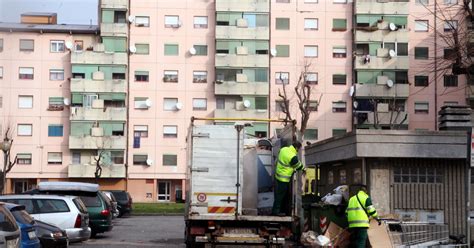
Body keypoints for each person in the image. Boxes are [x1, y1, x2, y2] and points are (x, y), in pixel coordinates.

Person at [272, 141, 305, 216]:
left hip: (278, 174)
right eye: (298, 149)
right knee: (280, 195)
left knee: (280, 194)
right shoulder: (292, 156)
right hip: (284, 178)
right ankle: (276, 211)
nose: (298, 151)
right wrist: (304, 168)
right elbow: (298, 166)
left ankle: (277, 210)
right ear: (296, 148)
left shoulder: (283, 149)